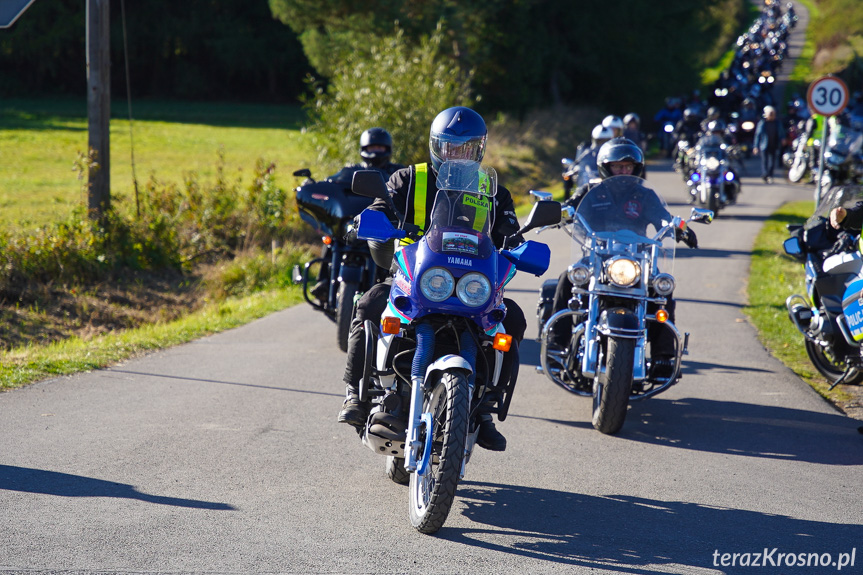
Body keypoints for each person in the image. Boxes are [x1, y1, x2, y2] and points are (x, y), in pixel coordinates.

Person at [337, 106, 524, 452]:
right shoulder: (409, 179)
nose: (456, 155)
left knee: (512, 317)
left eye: (465, 148)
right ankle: (356, 394)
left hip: (472, 282)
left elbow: (510, 232)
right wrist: (365, 222)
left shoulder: (492, 189)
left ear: (478, 149)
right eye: (449, 147)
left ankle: (483, 406)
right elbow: (382, 205)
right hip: (416, 276)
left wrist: (521, 246)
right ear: (435, 146)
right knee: (369, 304)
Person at [548, 137, 698, 378]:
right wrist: (557, 213)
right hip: (597, 256)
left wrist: (678, 228)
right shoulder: (590, 191)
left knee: (661, 291)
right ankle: (557, 346)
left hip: (635, 260)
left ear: (636, 169)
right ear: (606, 167)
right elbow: (570, 207)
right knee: (568, 278)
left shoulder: (645, 195)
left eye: (628, 167)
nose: (623, 171)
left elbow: (662, 218)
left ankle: (663, 357)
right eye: (618, 166)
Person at [753, 105, 785, 183]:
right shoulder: (762, 123)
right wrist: (755, 147)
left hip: (774, 145)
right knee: (765, 161)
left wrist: (783, 139)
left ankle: (770, 175)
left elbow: (781, 132)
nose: (772, 115)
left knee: (772, 162)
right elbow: (758, 135)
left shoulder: (777, 123)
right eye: (770, 114)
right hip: (764, 145)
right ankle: (765, 174)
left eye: (773, 114)